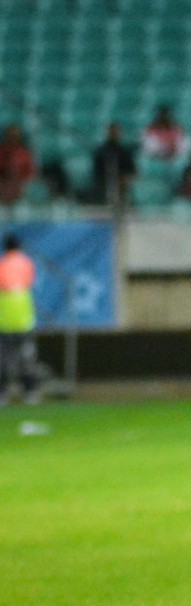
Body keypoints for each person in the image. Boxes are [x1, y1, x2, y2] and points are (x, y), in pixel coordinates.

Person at [0, 234, 40, 405]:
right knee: (27, 358)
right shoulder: (26, 263)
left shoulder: (2, 264)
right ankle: (30, 393)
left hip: (5, 320)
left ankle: (2, 394)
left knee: (4, 359)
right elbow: (29, 282)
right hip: (24, 318)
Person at [89, 121, 137, 206]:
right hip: (103, 184)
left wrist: (124, 179)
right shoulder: (100, 152)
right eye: (111, 131)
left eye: (116, 131)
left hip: (121, 185)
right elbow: (96, 173)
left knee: (122, 187)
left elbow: (132, 172)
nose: (114, 134)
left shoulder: (124, 152)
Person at [0, 124, 35, 205]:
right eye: (10, 136)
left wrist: (20, 182)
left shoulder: (24, 153)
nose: (13, 139)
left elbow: (29, 173)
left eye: (15, 136)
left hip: (20, 185)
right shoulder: (1, 152)